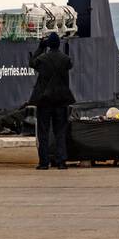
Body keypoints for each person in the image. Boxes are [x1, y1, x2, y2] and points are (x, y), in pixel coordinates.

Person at [29, 32, 75, 170]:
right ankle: (61, 161)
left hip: (45, 100)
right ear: (59, 44)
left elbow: (32, 63)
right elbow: (69, 65)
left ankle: (44, 163)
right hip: (61, 100)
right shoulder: (65, 59)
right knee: (60, 132)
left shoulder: (42, 59)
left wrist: (40, 47)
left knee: (43, 132)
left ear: (48, 44)